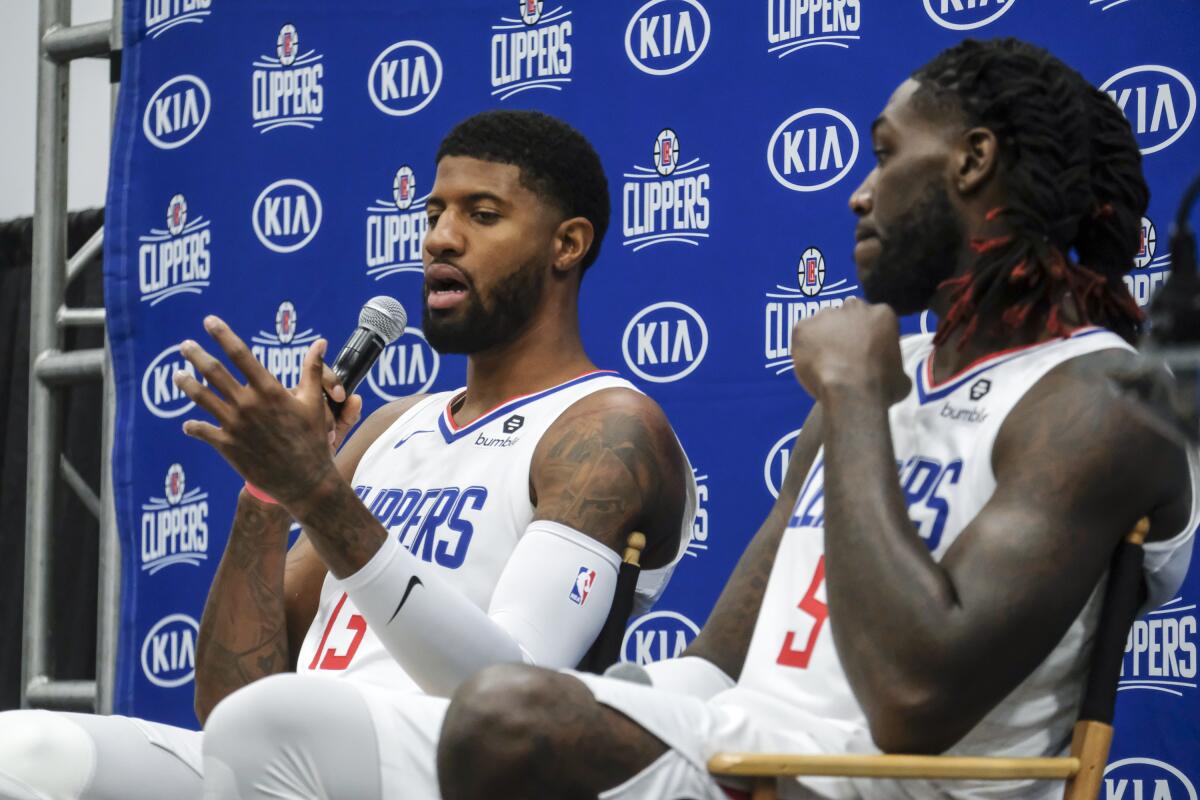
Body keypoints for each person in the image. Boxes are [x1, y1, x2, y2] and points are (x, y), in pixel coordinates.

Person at [430, 39, 1200, 800]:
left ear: (971, 161)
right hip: (756, 749)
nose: (860, 194)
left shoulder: (1099, 398)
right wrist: (627, 697)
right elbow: (724, 657)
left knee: (504, 721)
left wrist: (859, 400)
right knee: (458, 712)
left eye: (886, 154)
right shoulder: (884, 365)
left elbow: (914, 705)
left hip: (894, 781)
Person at [0, 110, 696, 800]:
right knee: (29, 752)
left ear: (567, 244)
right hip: (285, 749)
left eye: (482, 216)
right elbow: (226, 702)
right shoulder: (392, 427)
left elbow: (506, 691)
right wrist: (268, 494)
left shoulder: (606, 427)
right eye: (433, 214)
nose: (440, 239)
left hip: (454, 771)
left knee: (279, 726)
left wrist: (318, 494)